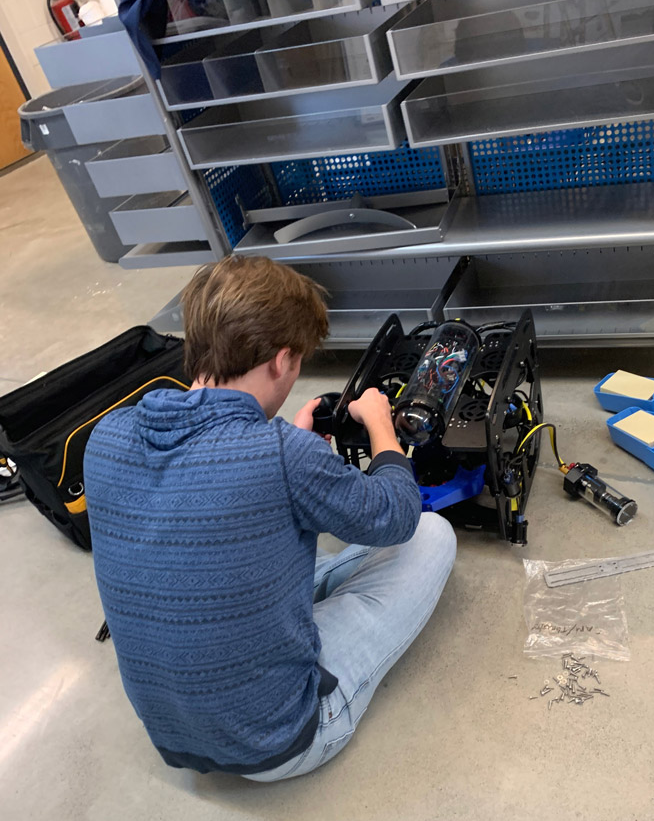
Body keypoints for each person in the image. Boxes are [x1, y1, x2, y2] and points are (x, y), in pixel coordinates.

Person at [84, 255, 456, 781]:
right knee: (432, 536)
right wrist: (382, 431)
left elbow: (215, 497)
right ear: (282, 360)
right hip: (278, 741)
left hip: (171, 733)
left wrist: (296, 450)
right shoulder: (280, 455)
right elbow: (395, 516)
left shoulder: (107, 436)